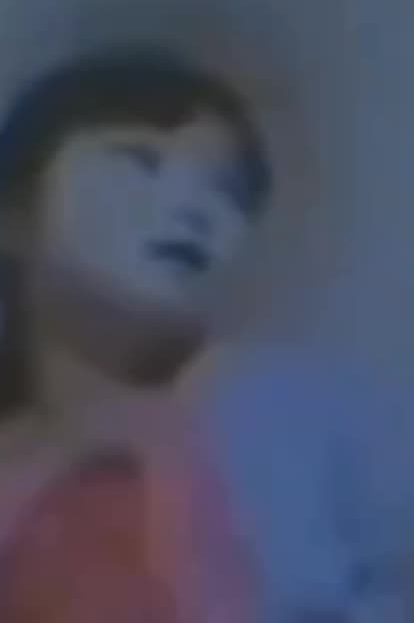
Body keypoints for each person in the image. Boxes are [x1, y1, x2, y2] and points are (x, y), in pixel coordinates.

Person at [0, 47, 272, 621]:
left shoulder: (253, 444)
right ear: (16, 211)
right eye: (140, 163)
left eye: (228, 191)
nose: (194, 210)